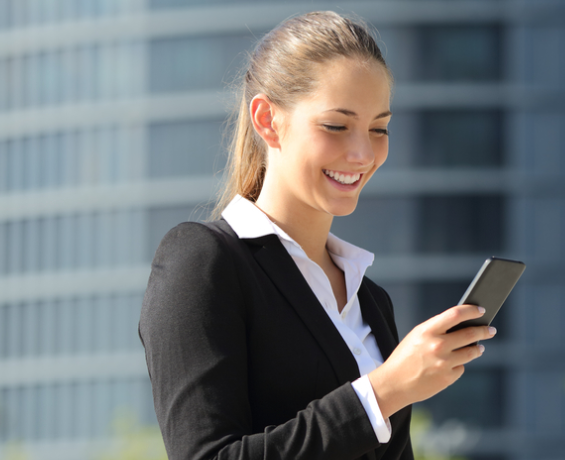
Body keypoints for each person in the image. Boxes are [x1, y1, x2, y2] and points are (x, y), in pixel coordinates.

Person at [138, 11, 496, 460]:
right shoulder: (205, 261)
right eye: (336, 126)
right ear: (268, 120)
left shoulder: (370, 301)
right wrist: (383, 392)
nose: (363, 153)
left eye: (379, 128)